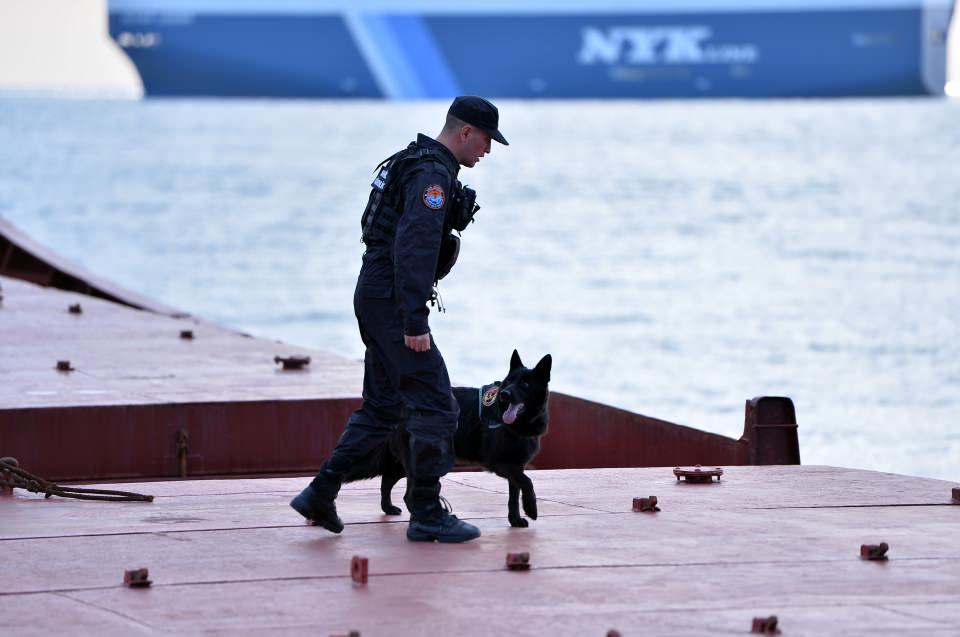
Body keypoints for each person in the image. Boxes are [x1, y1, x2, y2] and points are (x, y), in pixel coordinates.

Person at [291, 96, 508, 543]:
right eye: (487, 139)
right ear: (466, 132)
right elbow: (415, 246)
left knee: (383, 407)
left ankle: (320, 492)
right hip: (392, 301)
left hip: (375, 294)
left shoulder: (412, 160)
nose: (488, 150)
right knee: (438, 405)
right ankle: (426, 513)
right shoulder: (432, 175)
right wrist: (414, 321)